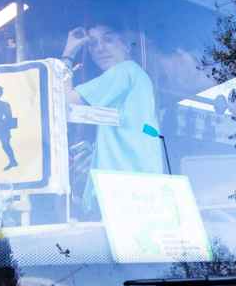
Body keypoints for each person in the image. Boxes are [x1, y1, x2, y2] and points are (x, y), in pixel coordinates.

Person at [61, 22, 165, 193]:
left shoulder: (124, 71)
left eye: (108, 40)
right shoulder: (137, 78)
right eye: (93, 44)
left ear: (126, 45)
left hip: (123, 190)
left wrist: (69, 54)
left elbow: (65, 103)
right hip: (140, 188)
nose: (99, 49)